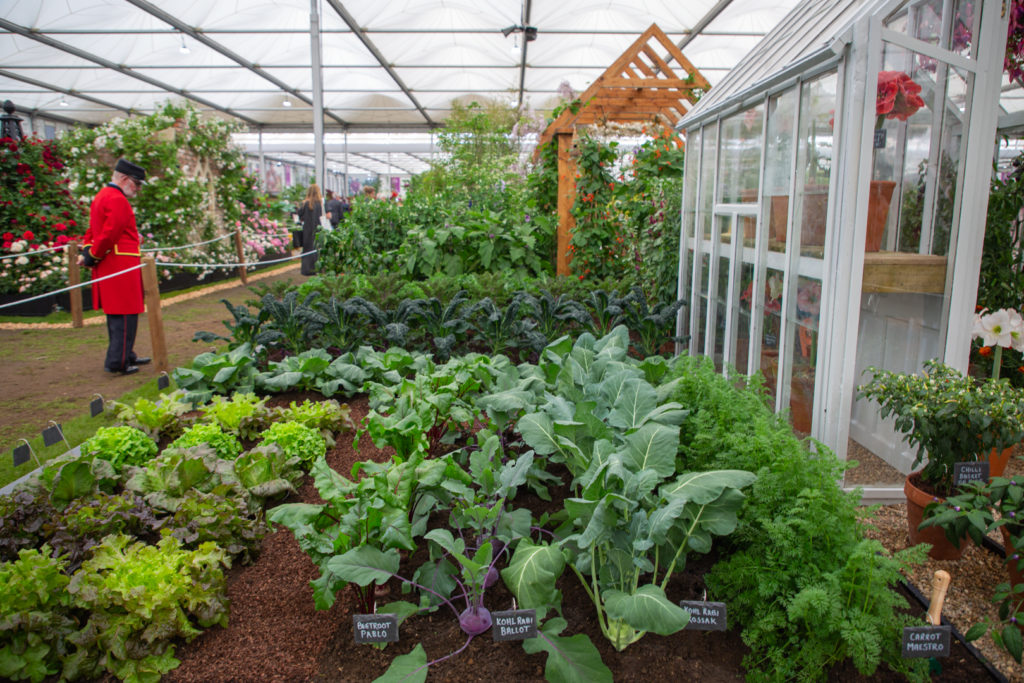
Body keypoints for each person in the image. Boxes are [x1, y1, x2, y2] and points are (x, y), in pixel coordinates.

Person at [80, 158, 151, 376]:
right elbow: (109, 233)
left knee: (120, 314)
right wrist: (92, 255)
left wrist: (88, 252)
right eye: (136, 183)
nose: (137, 189)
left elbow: (94, 230)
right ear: (124, 179)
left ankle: (125, 354)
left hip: (113, 262)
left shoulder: (103, 196)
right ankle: (118, 361)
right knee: (125, 313)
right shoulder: (117, 199)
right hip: (119, 263)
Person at [296, 183, 323, 276]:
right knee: (316, 248)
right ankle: (317, 267)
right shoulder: (319, 203)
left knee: (308, 249)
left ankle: (307, 269)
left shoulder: (306, 203)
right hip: (318, 229)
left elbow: (299, 215)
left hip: (307, 230)